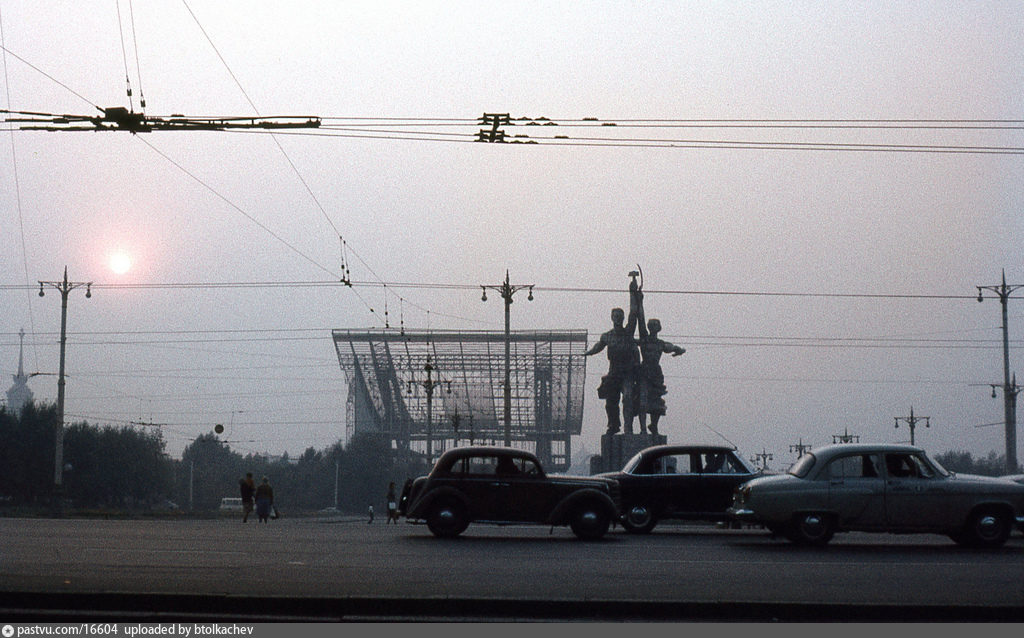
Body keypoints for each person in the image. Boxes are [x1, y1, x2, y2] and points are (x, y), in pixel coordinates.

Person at [585, 277, 641, 434]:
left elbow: (634, 312)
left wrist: (632, 292)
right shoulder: (607, 336)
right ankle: (613, 425)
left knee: (628, 399)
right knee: (611, 403)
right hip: (614, 373)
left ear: (622, 319)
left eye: (619, 316)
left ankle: (628, 428)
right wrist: (588, 353)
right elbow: (598, 346)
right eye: (615, 316)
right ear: (612, 318)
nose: (617, 318)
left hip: (628, 373)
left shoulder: (628, 331)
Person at [633, 283, 685, 436]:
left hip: (655, 373)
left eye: (656, 325)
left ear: (659, 328)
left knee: (656, 401)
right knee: (642, 401)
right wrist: (639, 300)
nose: (653, 326)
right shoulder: (644, 339)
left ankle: (652, 426)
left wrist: (680, 350)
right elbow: (640, 319)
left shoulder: (660, 344)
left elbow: (673, 347)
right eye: (652, 325)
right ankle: (643, 428)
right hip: (644, 372)